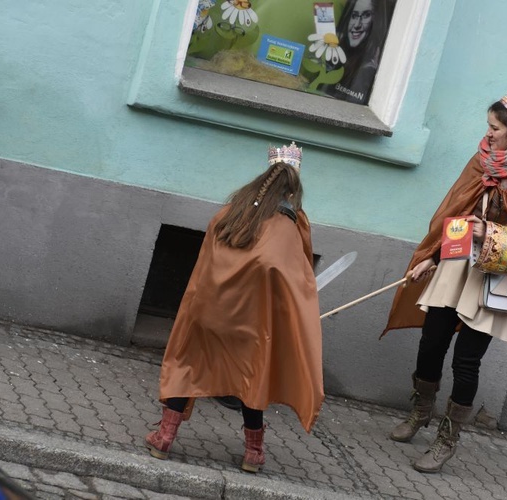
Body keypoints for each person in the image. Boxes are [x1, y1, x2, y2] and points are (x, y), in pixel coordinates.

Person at [382, 83, 507, 473]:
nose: (489, 134)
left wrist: (489, 233)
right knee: (430, 344)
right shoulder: (482, 158)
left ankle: (448, 439)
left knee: (466, 361)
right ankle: (420, 411)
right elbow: (456, 210)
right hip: (458, 265)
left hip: (497, 277)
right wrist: (432, 256)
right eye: (489, 126)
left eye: (496, 128)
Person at [144, 142, 324, 474]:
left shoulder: (232, 211)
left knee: (189, 364)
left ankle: (164, 437)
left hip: (209, 312)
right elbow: (291, 277)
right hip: (251, 325)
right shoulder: (287, 226)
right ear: (292, 189)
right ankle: (253, 453)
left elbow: (207, 260)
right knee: (251, 377)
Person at [322, 0, 396, 104]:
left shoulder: (367, 70)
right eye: (354, 15)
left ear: (376, 22)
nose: (357, 24)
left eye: (366, 15)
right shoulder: (339, 56)